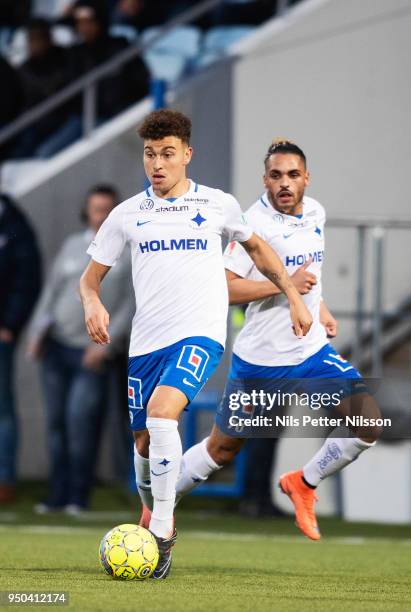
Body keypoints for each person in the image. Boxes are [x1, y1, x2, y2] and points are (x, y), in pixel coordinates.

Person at [79, 109, 312, 578]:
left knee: (163, 416)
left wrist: (291, 292)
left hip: (201, 333)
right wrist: (92, 303)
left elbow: (258, 249)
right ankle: (152, 511)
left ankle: (162, 533)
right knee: (144, 444)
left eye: (167, 154)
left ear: (187, 154)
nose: (157, 164)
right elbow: (90, 280)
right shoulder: (127, 215)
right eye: (149, 155)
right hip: (147, 344)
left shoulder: (217, 204)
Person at [148, 139, 381, 541]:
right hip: (260, 364)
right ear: (265, 180)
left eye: (292, 175)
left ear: (306, 178)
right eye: (276, 176)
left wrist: (319, 307)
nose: (284, 183)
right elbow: (223, 288)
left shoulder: (316, 213)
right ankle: (155, 503)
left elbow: (312, 271)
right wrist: (285, 287)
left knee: (367, 423)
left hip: (309, 353)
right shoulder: (252, 224)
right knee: (222, 450)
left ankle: (303, 483)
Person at [27, 185, 133, 514]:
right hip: (57, 346)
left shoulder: (128, 251)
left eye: (106, 209)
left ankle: (77, 496)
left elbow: (131, 304)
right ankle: (56, 495)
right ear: (87, 211)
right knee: (57, 423)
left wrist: (107, 344)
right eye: (95, 208)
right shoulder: (73, 244)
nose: (100, 215)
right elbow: (53, 290)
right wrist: (36, 331)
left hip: (92, 351)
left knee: (80, 423)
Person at [38, 0, 149, 158]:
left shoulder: (120, 47)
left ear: (100, 22)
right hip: (81, 119)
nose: (84, 28)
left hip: (114, 118)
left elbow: (142, 82)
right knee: (46, 153)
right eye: (80, 23)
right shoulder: (75, 54)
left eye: (89, 22)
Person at [0, 192, 41, 503]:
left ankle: (4, 481)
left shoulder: (13, 221)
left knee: (2, 409)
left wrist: (10, 325)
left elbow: (28, 277)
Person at [14, 18, 71, 158]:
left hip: (64, 119)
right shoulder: (24, 69)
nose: (33, 44)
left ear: (48, 39)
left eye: (37, 38)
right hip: (35, 125)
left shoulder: (67, 60)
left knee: (43, 153)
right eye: (30, 39)